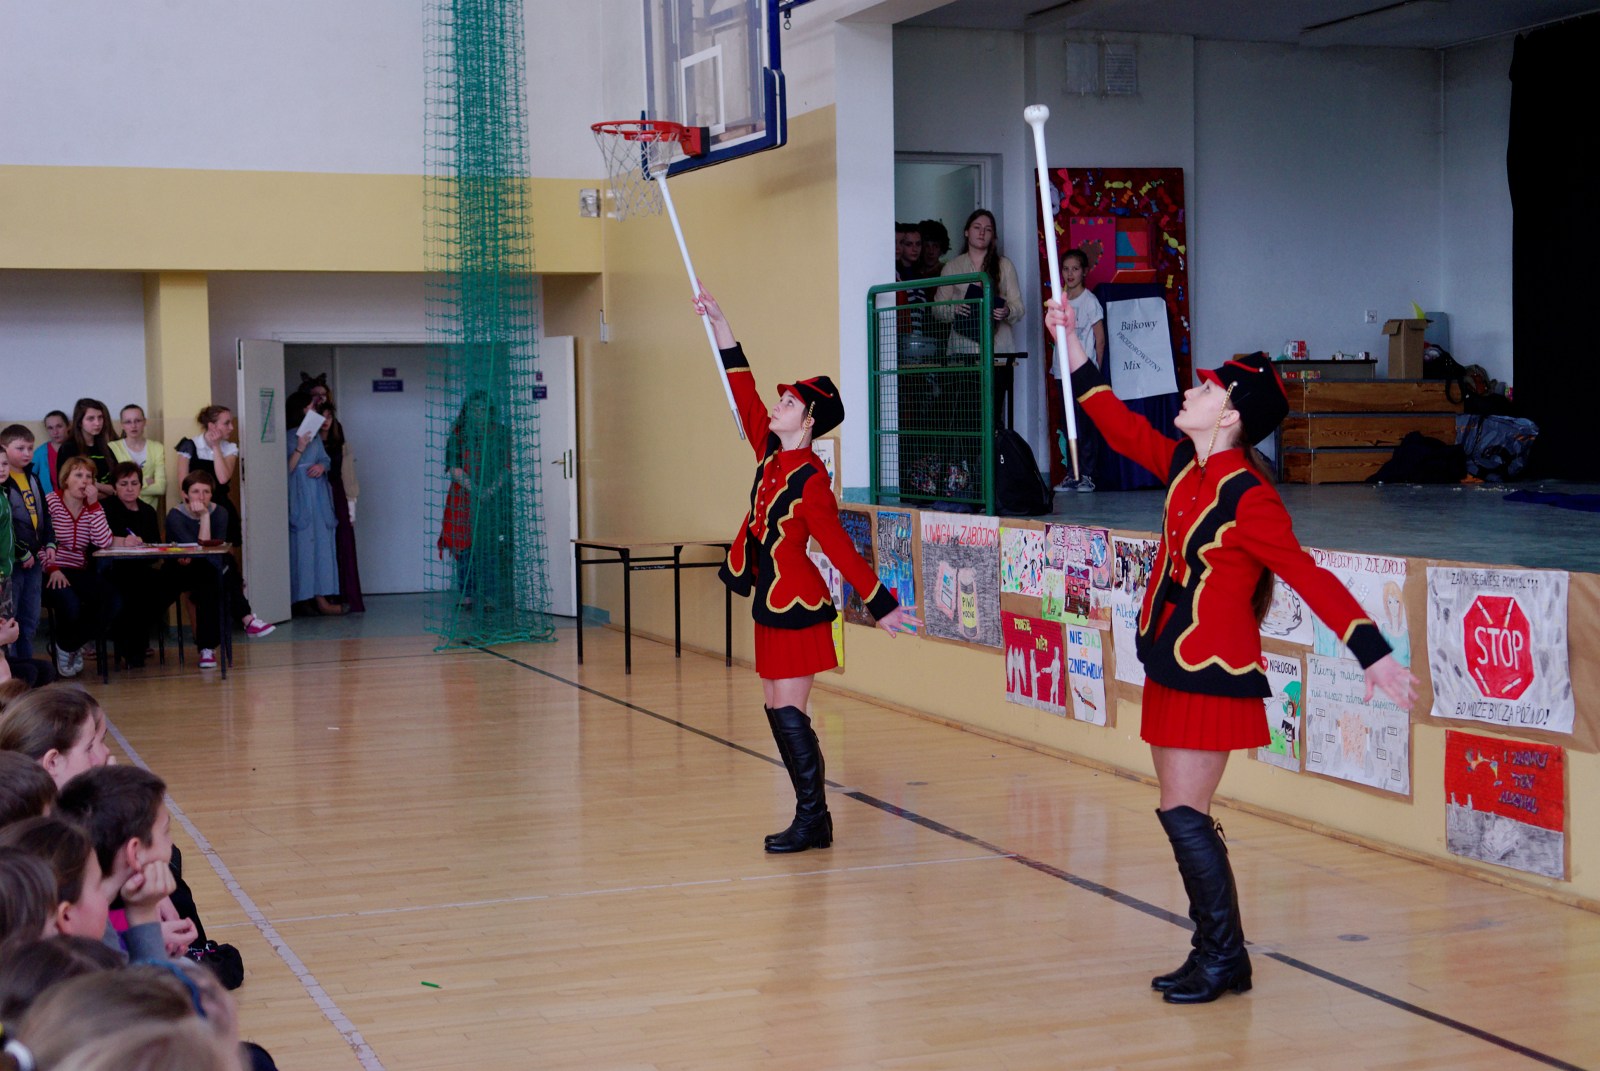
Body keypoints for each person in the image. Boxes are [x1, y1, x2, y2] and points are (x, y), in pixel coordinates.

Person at [1046, 298, 1417, 1004]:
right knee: (1178, 812)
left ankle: (1223, 956)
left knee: (1184, 812)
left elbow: (1309, 575)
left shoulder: (1250, 495)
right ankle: (1215, 951)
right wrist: (1072, 346)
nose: (1192, 390)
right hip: (1170, 660)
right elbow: (1116, 424)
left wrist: (1373, 653)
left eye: (1208, 387)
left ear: (1231, 415)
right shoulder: (1184, 464)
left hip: (1212, 672)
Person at [694, 286, 912, 854]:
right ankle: (812, 818)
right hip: (769, 601)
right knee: (775, 708)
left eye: (789, 404)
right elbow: (742, 390)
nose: (778, 407)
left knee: (789, 710)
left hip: (799, 606)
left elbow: (839, 548)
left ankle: (813, 819)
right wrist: (720, 322)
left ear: (810, 421)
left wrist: (881, 605)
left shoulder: (812, 480)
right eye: (782, 401)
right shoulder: (770, 453)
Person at [166, 473, 274, 669]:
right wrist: (204, 516)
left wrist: (206, 516)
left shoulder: (221, 512)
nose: (201, 497)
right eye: (195, 491)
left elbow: (215, 551)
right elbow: (199, 551)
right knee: (217, 572)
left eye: (206, 492)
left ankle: (207, 649)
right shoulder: (175, 515)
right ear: (185, 494)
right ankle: (247, 618)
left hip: (211, 567)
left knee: (213, 577)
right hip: (184, 568)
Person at [43, 458, 131, 679]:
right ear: (66, 479)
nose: (84, 481)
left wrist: (93, 506)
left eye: (88, 477)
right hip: (51, 569)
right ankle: (69, 647)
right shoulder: (50, 502)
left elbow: (103, 541)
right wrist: (52, 568)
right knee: (70, 604)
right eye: (78, 475)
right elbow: (39, 540)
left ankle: (68, 645)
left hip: (78, 569)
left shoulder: (92, 507)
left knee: (113, 601)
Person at [437, 390, 512, 609]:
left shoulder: (500, 433)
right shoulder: (458, 434)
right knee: (464, 549)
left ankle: (490, 597)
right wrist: (477, 490)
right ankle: (467, 595)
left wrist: (490, 491)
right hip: (462, 499)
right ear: (467, 411)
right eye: (474, 409)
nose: (479, 413)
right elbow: (454, 469)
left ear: (490, 411)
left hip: (492, 499)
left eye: (483, 409)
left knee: (489, 547)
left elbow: (506, 467)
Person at [304, 377, 364, 613]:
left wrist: (351, 506)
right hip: (314, 494)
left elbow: (347, 473)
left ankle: (345, 595)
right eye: (322, 416)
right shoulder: (306, 439)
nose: (326, 421)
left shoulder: (340, 440)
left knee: (343, 543)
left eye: (329, 416)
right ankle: (319, 598)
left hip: (336, 493)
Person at [1050, 248, 1107, 492]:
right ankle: (1072, 473)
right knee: (1067, 423)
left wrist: (1096, 372)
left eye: (1075, 269)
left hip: (1083, 372)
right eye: (1066, 269)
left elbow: (1100, 340)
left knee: (1085, 424)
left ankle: (1088, 475)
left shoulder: (1090, 301)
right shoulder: (1059, 299)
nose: (1070, 273)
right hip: (1062, 372)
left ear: (1084, 272)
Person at [933, 209, 1024, 356]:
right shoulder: (952, 267)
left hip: (998, 349)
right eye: (977, 227)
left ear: (993, 236)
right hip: (962, 350)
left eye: (988, 229)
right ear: (966, 232)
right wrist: (954, 310)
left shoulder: (1005, 265)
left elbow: (1019, 307)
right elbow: (937, 309)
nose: (982, 233)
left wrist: (1008, 311)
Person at [2, 426, 57, 665]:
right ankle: (12, 671)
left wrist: (50, 541)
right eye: (20, 448)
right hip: (13, 563)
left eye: (30, 448)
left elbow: (45, 513)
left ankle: (26, 666)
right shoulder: (4, 482)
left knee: (30, 618)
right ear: (4, 449)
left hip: (33, 560)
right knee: (11, 619)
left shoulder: (32, 477)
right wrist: (21, 551)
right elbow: (8, 526)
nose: (27, 453)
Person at [285, 392, 343, 616]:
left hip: (317, 495)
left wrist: (321, 467)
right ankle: (300, 598)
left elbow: (326, 460)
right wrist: (300, 447)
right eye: (310, 407)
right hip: (298, 493)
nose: (313, 411)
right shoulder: (287, 436)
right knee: (301, 547)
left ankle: (321, 597)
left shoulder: (316, 437)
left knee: (321, 545)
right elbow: (285, 470)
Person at [100, 462, 164, 668]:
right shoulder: (105, 508)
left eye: (134, 483)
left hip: (141, 567)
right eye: (124, 484)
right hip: (113, 568)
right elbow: (99, 541)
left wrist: (143, 545)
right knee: (130, 588)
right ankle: (130, 649)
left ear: (141, 486)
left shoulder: (148, 511)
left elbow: (155, 547)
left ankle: (137, 645)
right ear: (114, 487)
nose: (129, 488)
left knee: (161, 585)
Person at [173, 406, 241, 546]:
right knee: (196, 548)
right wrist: (193, 511)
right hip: (195, 506)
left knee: (225, 550)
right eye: (226, 423)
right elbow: (183, 485)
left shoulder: (229, 448)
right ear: (212, 426)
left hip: (221, 506)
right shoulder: (190, 445)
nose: (231, 427)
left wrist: (216, 447)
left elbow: (223, 478)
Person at [54, 399, 117, 503]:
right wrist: (105, 492)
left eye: (100, 417)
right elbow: (66, 486)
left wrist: (96, 485)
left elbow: (117, 487)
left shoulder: (106, 448)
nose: (97, 423)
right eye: (91, 418)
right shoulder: (68, 449)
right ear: (80, 422)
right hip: (81, 508)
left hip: (109, 507)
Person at [107, 405, 167, 513]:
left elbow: (161, 488)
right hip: (119, 510)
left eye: (138, 421)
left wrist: (125, 487)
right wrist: (146, 482)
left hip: (148, 511)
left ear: (145, 422)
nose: (133, 425)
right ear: (122, 425)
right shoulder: (113, 447)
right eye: (128, 422)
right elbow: (113, 486)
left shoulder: (157, 448)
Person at [29, 411, 69, 499]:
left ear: (68, 426)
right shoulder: (40, 453)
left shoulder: (77, 448)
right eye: (50, 428)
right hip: (50, 502)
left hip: (75, 501)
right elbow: (29, 478)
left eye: (59, 426)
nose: (55, 432)